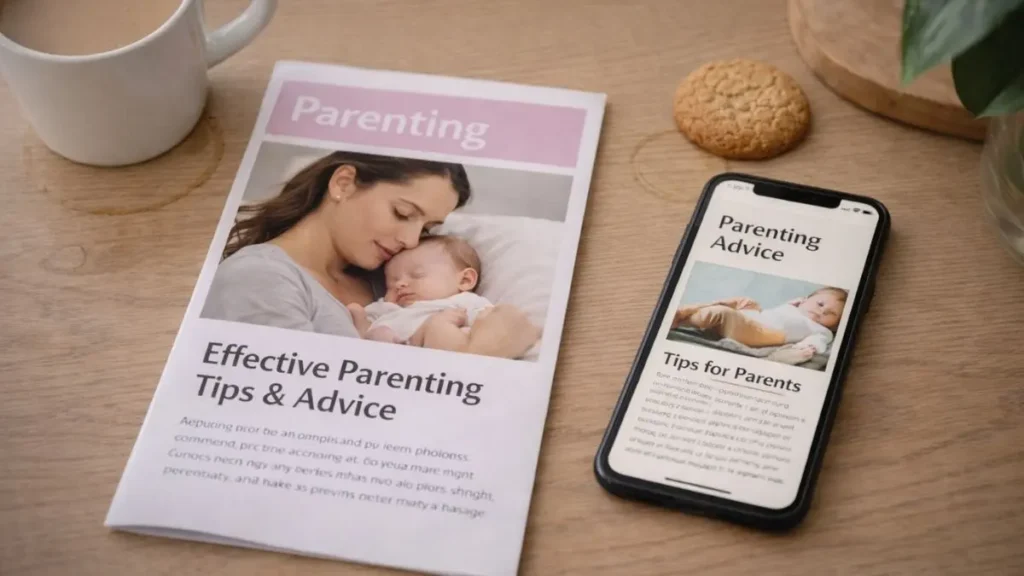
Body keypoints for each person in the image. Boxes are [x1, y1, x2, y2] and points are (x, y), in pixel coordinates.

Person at [200, 151, 540, 360]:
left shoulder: (391, 281)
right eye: (403, 213)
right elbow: (298, 417)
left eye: (425, 228)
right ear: (344, 183)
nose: (410, 240)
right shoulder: (259, 278)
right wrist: (478, 356)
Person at [346, 234, 492, 353]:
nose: (399, 284)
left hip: (435, 353)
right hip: (389, 355)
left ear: (465, 280)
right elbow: (374, 314)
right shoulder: (390, 308)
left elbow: (489, 322)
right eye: (391, 282)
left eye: (417, 275)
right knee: (378, 331)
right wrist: (364, 320)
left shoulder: (465, 302)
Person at [672, 286, 847, 360]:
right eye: (820, 304)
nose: (821, 311)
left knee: (723, 314)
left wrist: (810, 348)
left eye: (830, 314)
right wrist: (795, 304)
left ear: (835, 324)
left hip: (762, 333)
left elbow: (818, 341)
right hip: (756, 318)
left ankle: (684, 320)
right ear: (805, 300)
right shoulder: (794, 308)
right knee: (746, 302)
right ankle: (692, 310)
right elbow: (774, 314)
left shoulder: (822, 330)